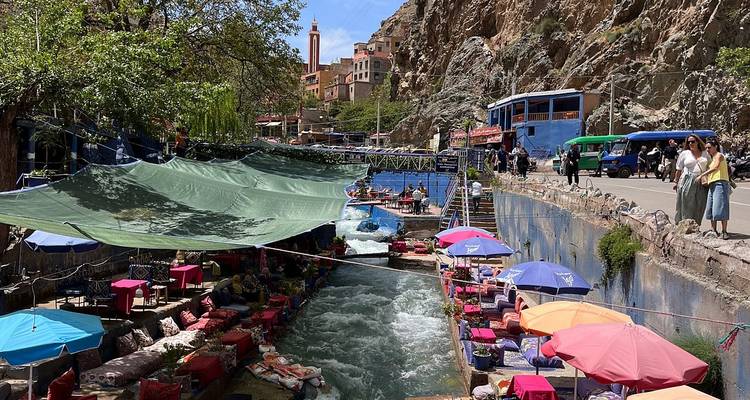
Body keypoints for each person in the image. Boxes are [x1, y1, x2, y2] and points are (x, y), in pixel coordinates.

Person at [696, 139, 731, 239]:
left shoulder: (719, 155)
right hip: (712, 184)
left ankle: (724, 231)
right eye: (706, 148)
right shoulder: (712, 158)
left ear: (715, 146)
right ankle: (713, 230)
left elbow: (715, 168)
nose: (707, 150)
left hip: (720, 183)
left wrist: (702, 175)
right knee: (711, 208)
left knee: (721, 207)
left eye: (709, 147)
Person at [674, 134, 710, 224]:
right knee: (686, 204)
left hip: (702, 181)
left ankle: (696, 225)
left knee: (700, 204)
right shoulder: (685, 153)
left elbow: (711, 166)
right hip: (687, 180)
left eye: (693, 141)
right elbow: (678, 169)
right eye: (689, 142)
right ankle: (685, 224)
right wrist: (676, 182)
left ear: (698, 142)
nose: (690, 143)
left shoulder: (705, 153)